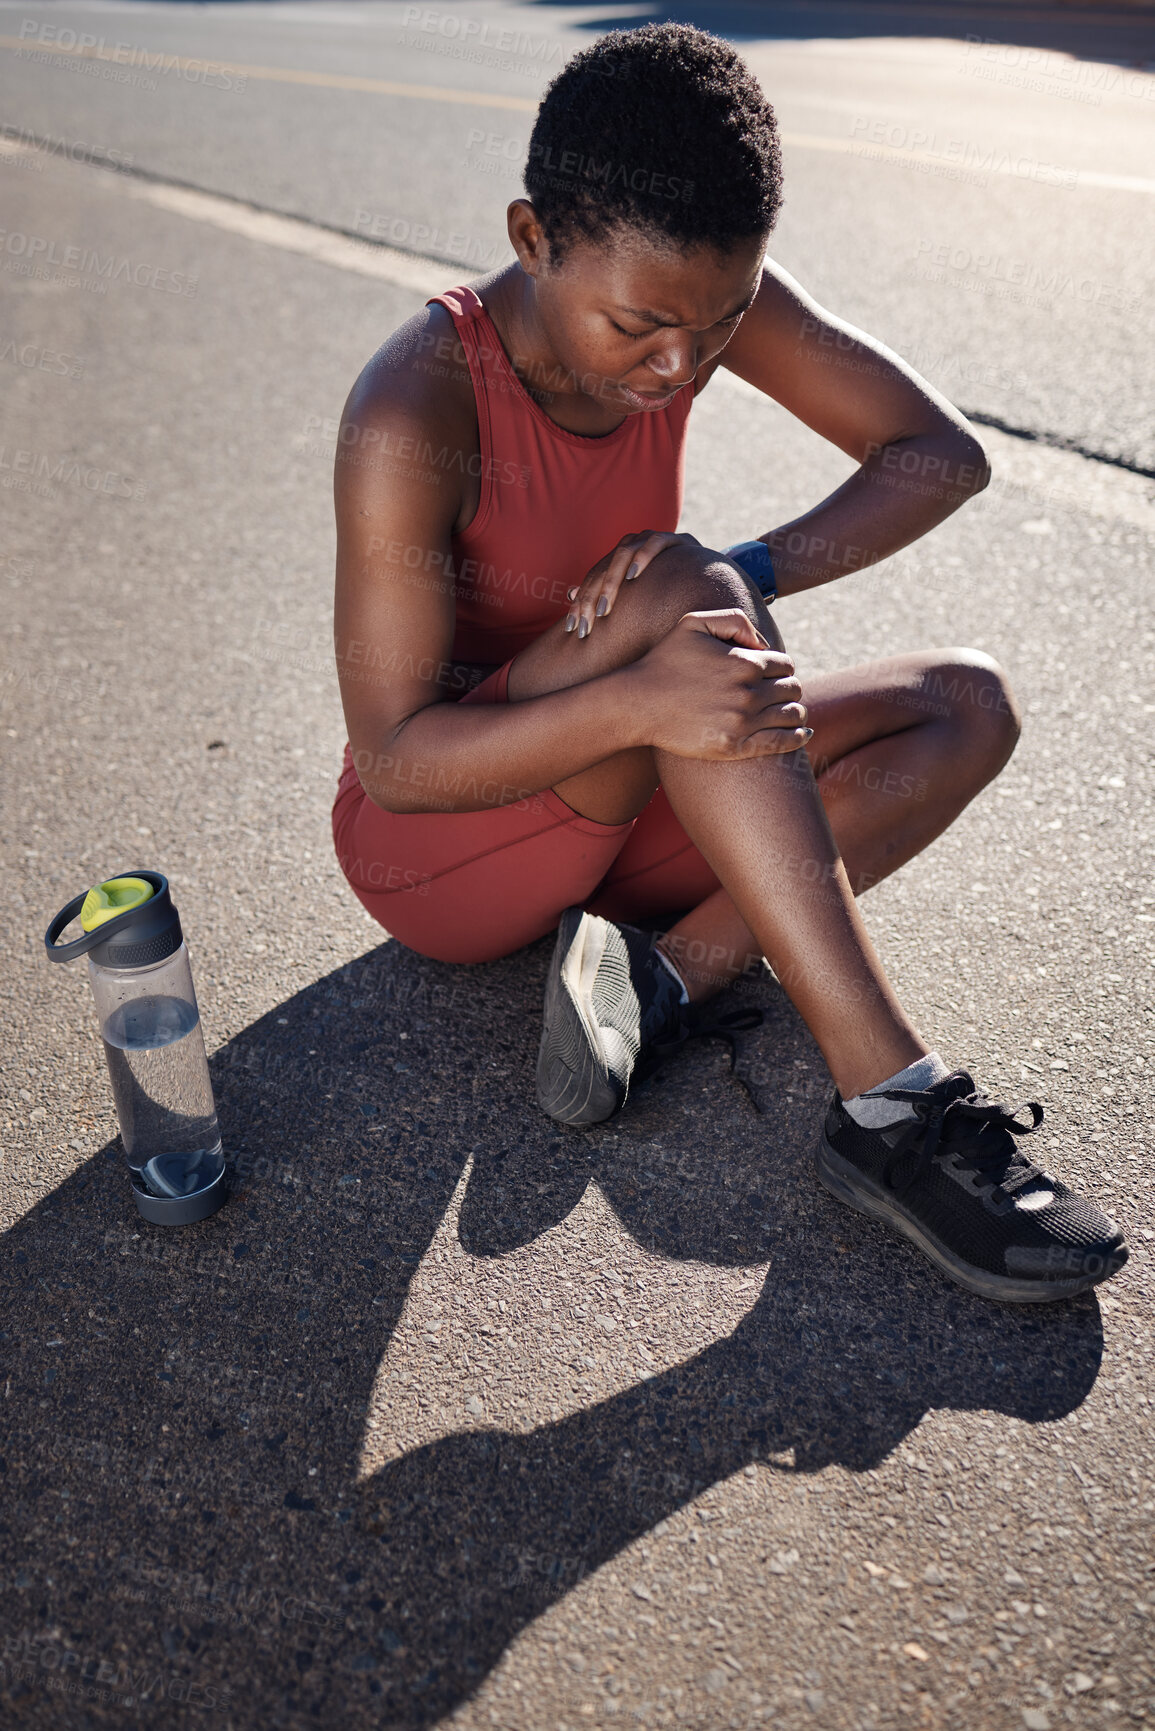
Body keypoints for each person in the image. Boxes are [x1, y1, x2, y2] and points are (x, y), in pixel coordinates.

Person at [331, 23, 1126, 1303]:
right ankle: (890, 1109)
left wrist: (755, 570)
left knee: (965, 706)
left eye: (717, 327)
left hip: (646, 785)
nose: (680, 366)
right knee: (678, 589)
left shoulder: (690, 293)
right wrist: (648, 685)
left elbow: (938, 453)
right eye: (641, 329)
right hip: (447, 852)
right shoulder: (414, 402)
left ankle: (662, 980)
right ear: (534, 239)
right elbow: (397, 766)